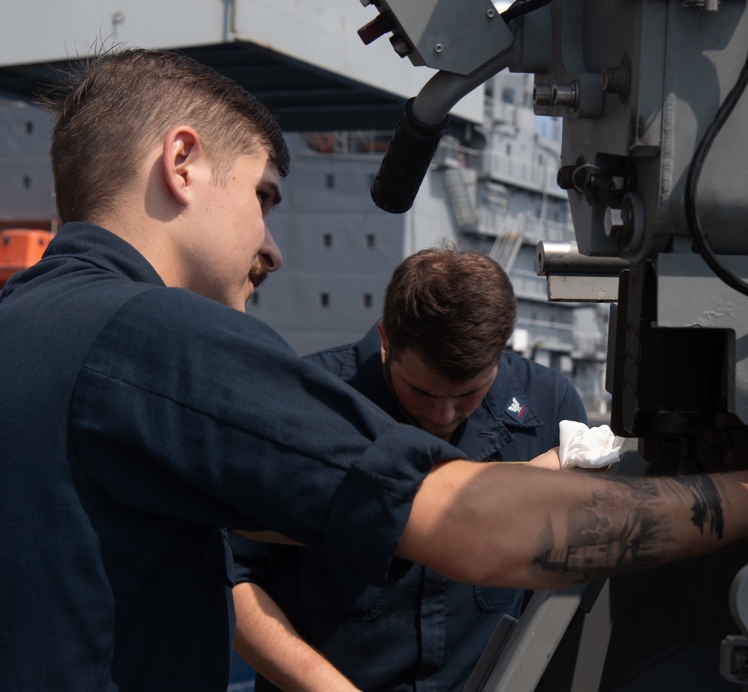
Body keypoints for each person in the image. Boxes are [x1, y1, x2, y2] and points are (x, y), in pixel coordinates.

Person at [0, 48, 748, 692]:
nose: (272, 245)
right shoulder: (150, 331)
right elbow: (475, 535)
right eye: (262, 196)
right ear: (182, 162)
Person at [230, 245, 589, 692]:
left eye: (467, 394)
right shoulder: (302, 409)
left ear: (500, 354)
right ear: (386, 338)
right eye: (422, 391)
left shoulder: (549, 409)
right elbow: (231, 576)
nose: (443, 415)